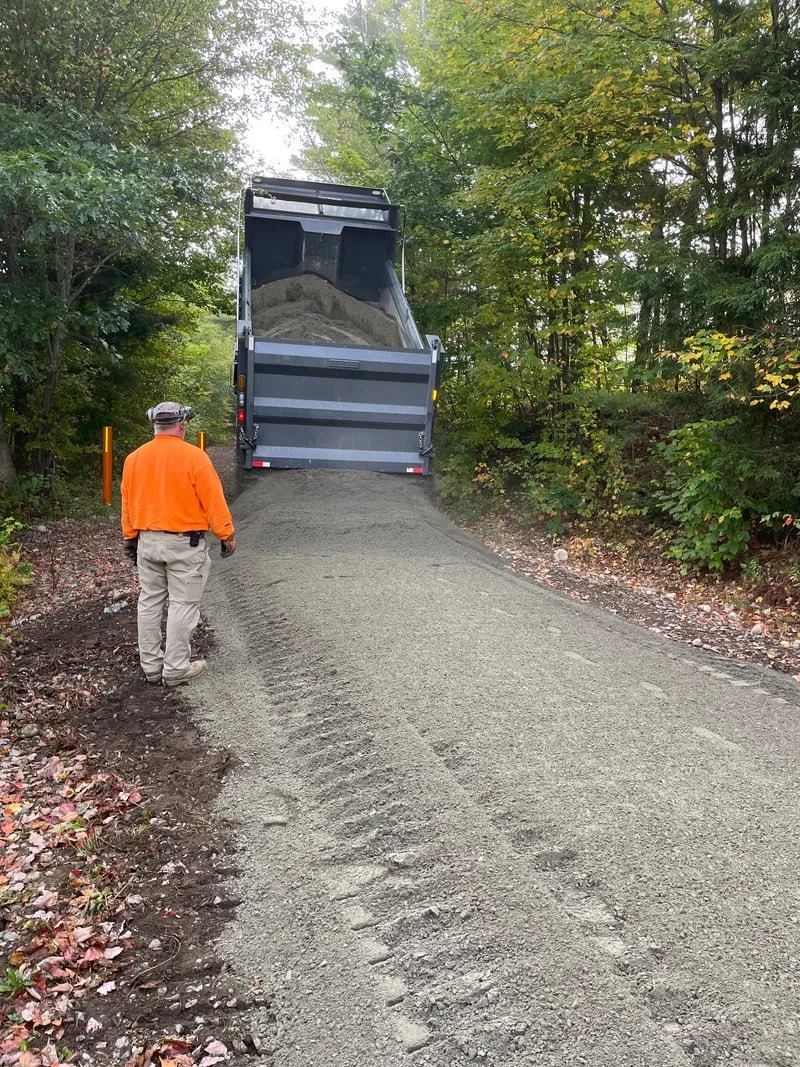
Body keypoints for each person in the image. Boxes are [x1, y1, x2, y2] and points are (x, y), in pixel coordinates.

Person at [120, 401, 236, 687]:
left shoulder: (134, 459)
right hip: (186, 546)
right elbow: (213, 500)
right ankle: (175, 668)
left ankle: (151, 667)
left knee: (149, 602)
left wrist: (130, 538)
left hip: (147, 542)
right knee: (183, 604)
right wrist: (226, 535)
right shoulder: (194, 458)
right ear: (182, 425)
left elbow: (127, 502)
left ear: (155, 426)